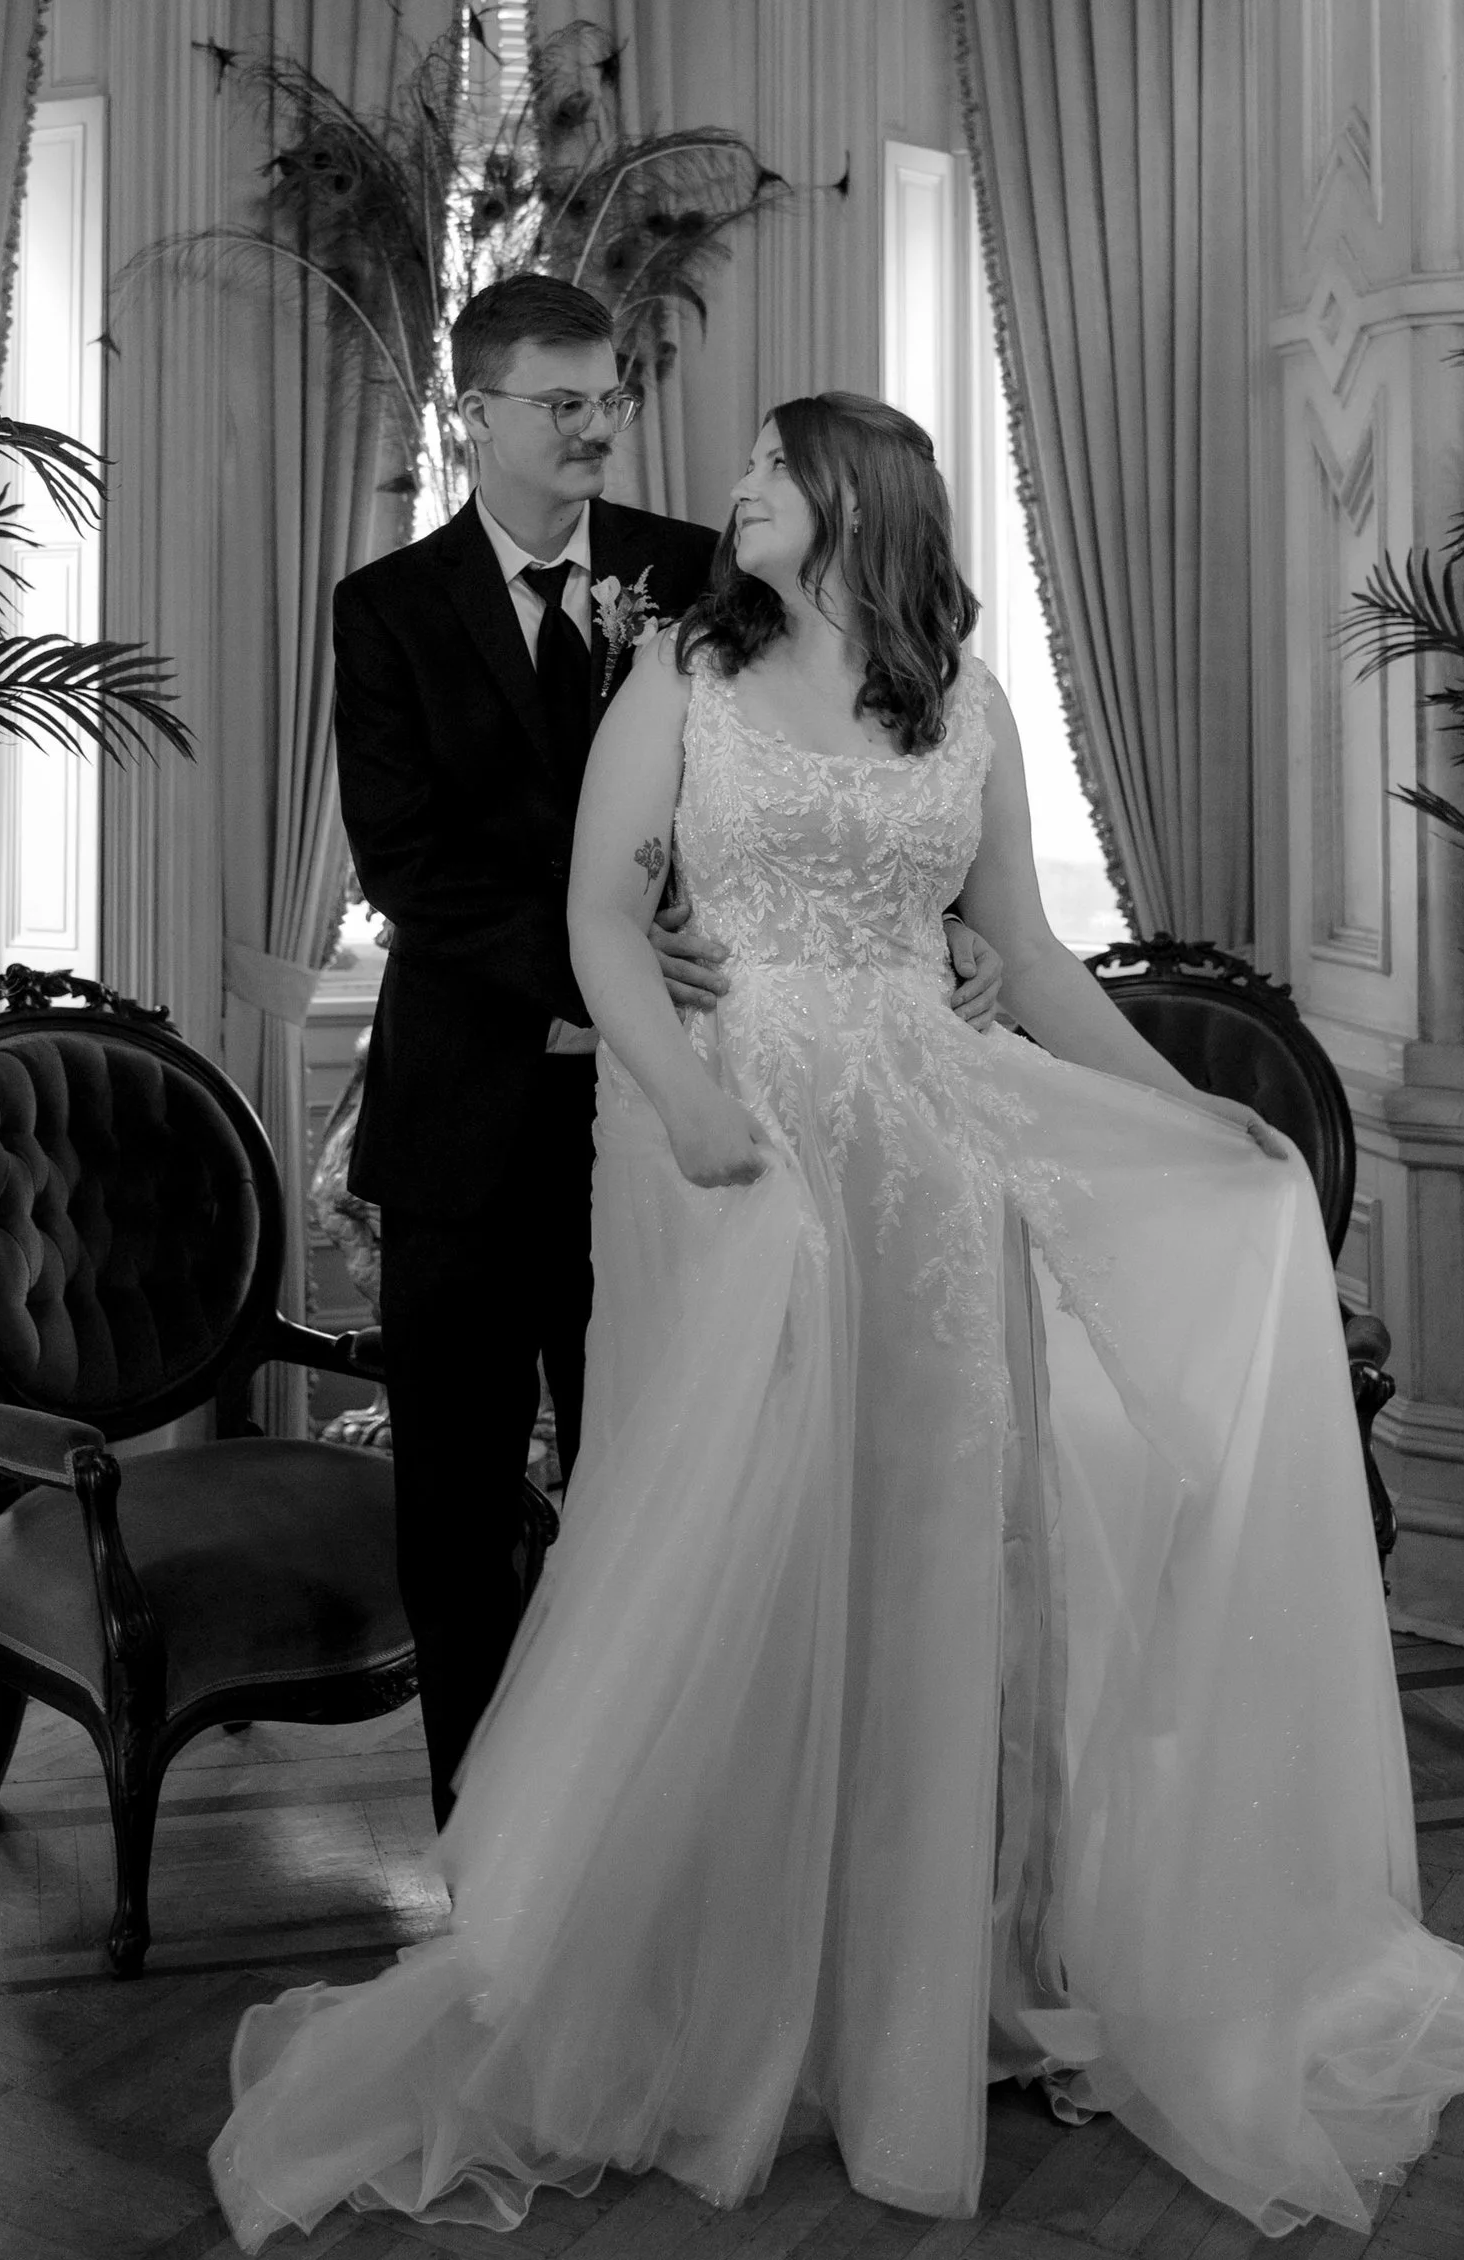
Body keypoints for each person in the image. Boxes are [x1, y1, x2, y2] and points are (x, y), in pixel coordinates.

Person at [222, 389, 1464, 2245]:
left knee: (937, 1569)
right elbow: (604, 921)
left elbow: (1020, 952)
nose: (737, 491)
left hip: (933, 1176)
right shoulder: (684, 675)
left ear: (859, 500)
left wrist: (1191, 1110)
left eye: (772, 469)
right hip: (741, 1161)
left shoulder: (974, 706)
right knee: (737, 1548)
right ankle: (710, 1991)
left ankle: (918, 2001)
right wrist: (690, 1099)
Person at [329, 285, 997, 1822]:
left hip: (698, 1103)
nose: (593, 426)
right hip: (473, 1110)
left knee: (669, 1499)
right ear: (473, 415)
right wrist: (598, 947)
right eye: (559, 402)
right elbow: (407, 866)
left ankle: (658, 1854)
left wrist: (941, 920)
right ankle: (489, 1854)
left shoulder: (692, 566)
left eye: (608, 398)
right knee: (456, 1506)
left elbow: (843, 751)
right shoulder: (386, 609)